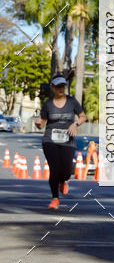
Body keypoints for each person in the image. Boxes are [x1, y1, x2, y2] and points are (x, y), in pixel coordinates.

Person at [34, 74, 86, 210]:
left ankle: (63, 181)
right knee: (55, 169)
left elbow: (82, 116)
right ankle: (55, 198)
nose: (61, 89)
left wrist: (75, 124)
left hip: (67, 140)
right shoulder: (48, 104)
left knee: (67, 170)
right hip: (50, 140)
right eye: (58, 87)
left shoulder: (72, 102)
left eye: (63, 86)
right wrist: (38, 123)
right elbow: (42, 122)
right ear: (52, 88)